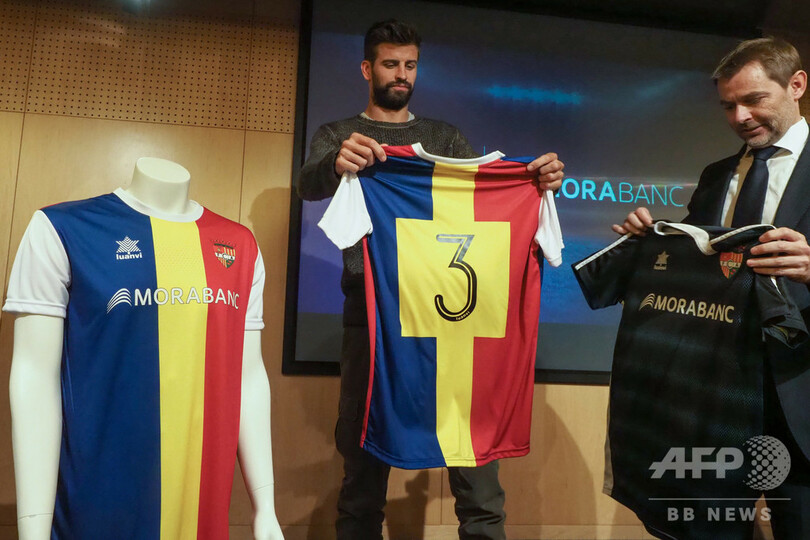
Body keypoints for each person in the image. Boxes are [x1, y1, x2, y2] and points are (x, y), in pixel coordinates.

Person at [297, 19, 564, 540]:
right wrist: (336, 164)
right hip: (372, 319)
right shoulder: (338, 134)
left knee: (476, 468)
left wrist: (533, 182)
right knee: (362, 472)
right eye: (390, 64)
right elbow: (308, 184)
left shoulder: (445, 138)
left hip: (453, 322)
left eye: (410, 65)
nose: (402, 74)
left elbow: (482, 203)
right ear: (367, 68)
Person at [6, 158, 283, 540]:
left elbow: (248, 376)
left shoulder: (240, 246)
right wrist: (33, 526)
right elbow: (35, 377)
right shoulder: (62, 229)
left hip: (202, 510)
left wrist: (265, 507)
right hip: (96, 508)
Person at [614, 37, 810, 538]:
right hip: (714, 395)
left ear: (796, 85)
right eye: (728, 105)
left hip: (801, 395)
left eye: (754, 100)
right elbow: (696, 267)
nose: (740, 117)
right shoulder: (716, 176)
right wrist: (648, 242)